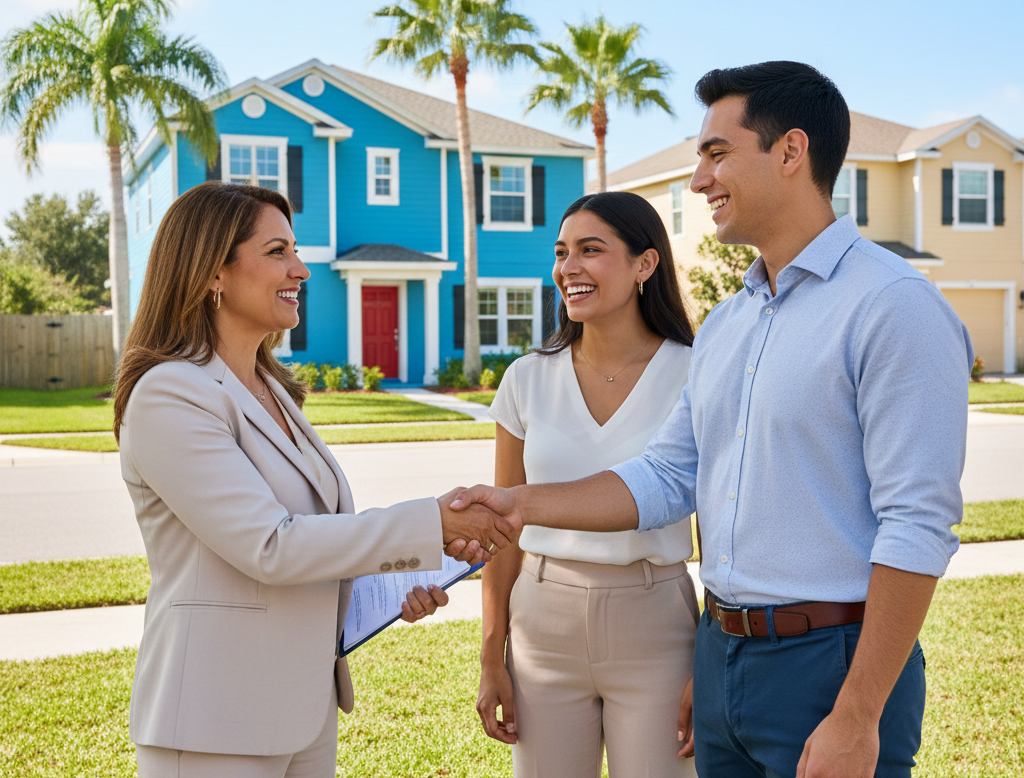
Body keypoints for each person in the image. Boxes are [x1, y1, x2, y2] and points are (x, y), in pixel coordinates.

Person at [452, 61, 973, 778]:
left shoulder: (892, 307)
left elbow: (918, 521)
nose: (698, 180)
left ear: (790, 152)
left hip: (830, 663)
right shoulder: (729, 323)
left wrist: (858, 714)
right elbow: (669, 476)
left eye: (716, 153)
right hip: (721, 654)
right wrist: (518, 504)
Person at [112, 181, 514, 778]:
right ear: (211, 272)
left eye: (294, 250)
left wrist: (393, 581)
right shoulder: (171, 393)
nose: (300, 268)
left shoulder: (272, 389)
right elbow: (270, 546)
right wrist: (431, 522)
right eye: (277, 252)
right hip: (212, 720)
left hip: (304, 707)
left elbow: (319, 535)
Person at [476, 192, 700, 777]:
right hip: (541, 622)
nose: (567, 268)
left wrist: (713, 659)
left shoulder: (698, 371)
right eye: (561, 253)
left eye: (590, 250)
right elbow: (503, 530)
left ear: (644, 264)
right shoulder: (527, 378)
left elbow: (726, 526)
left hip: (658, 622)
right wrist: (491, 653)